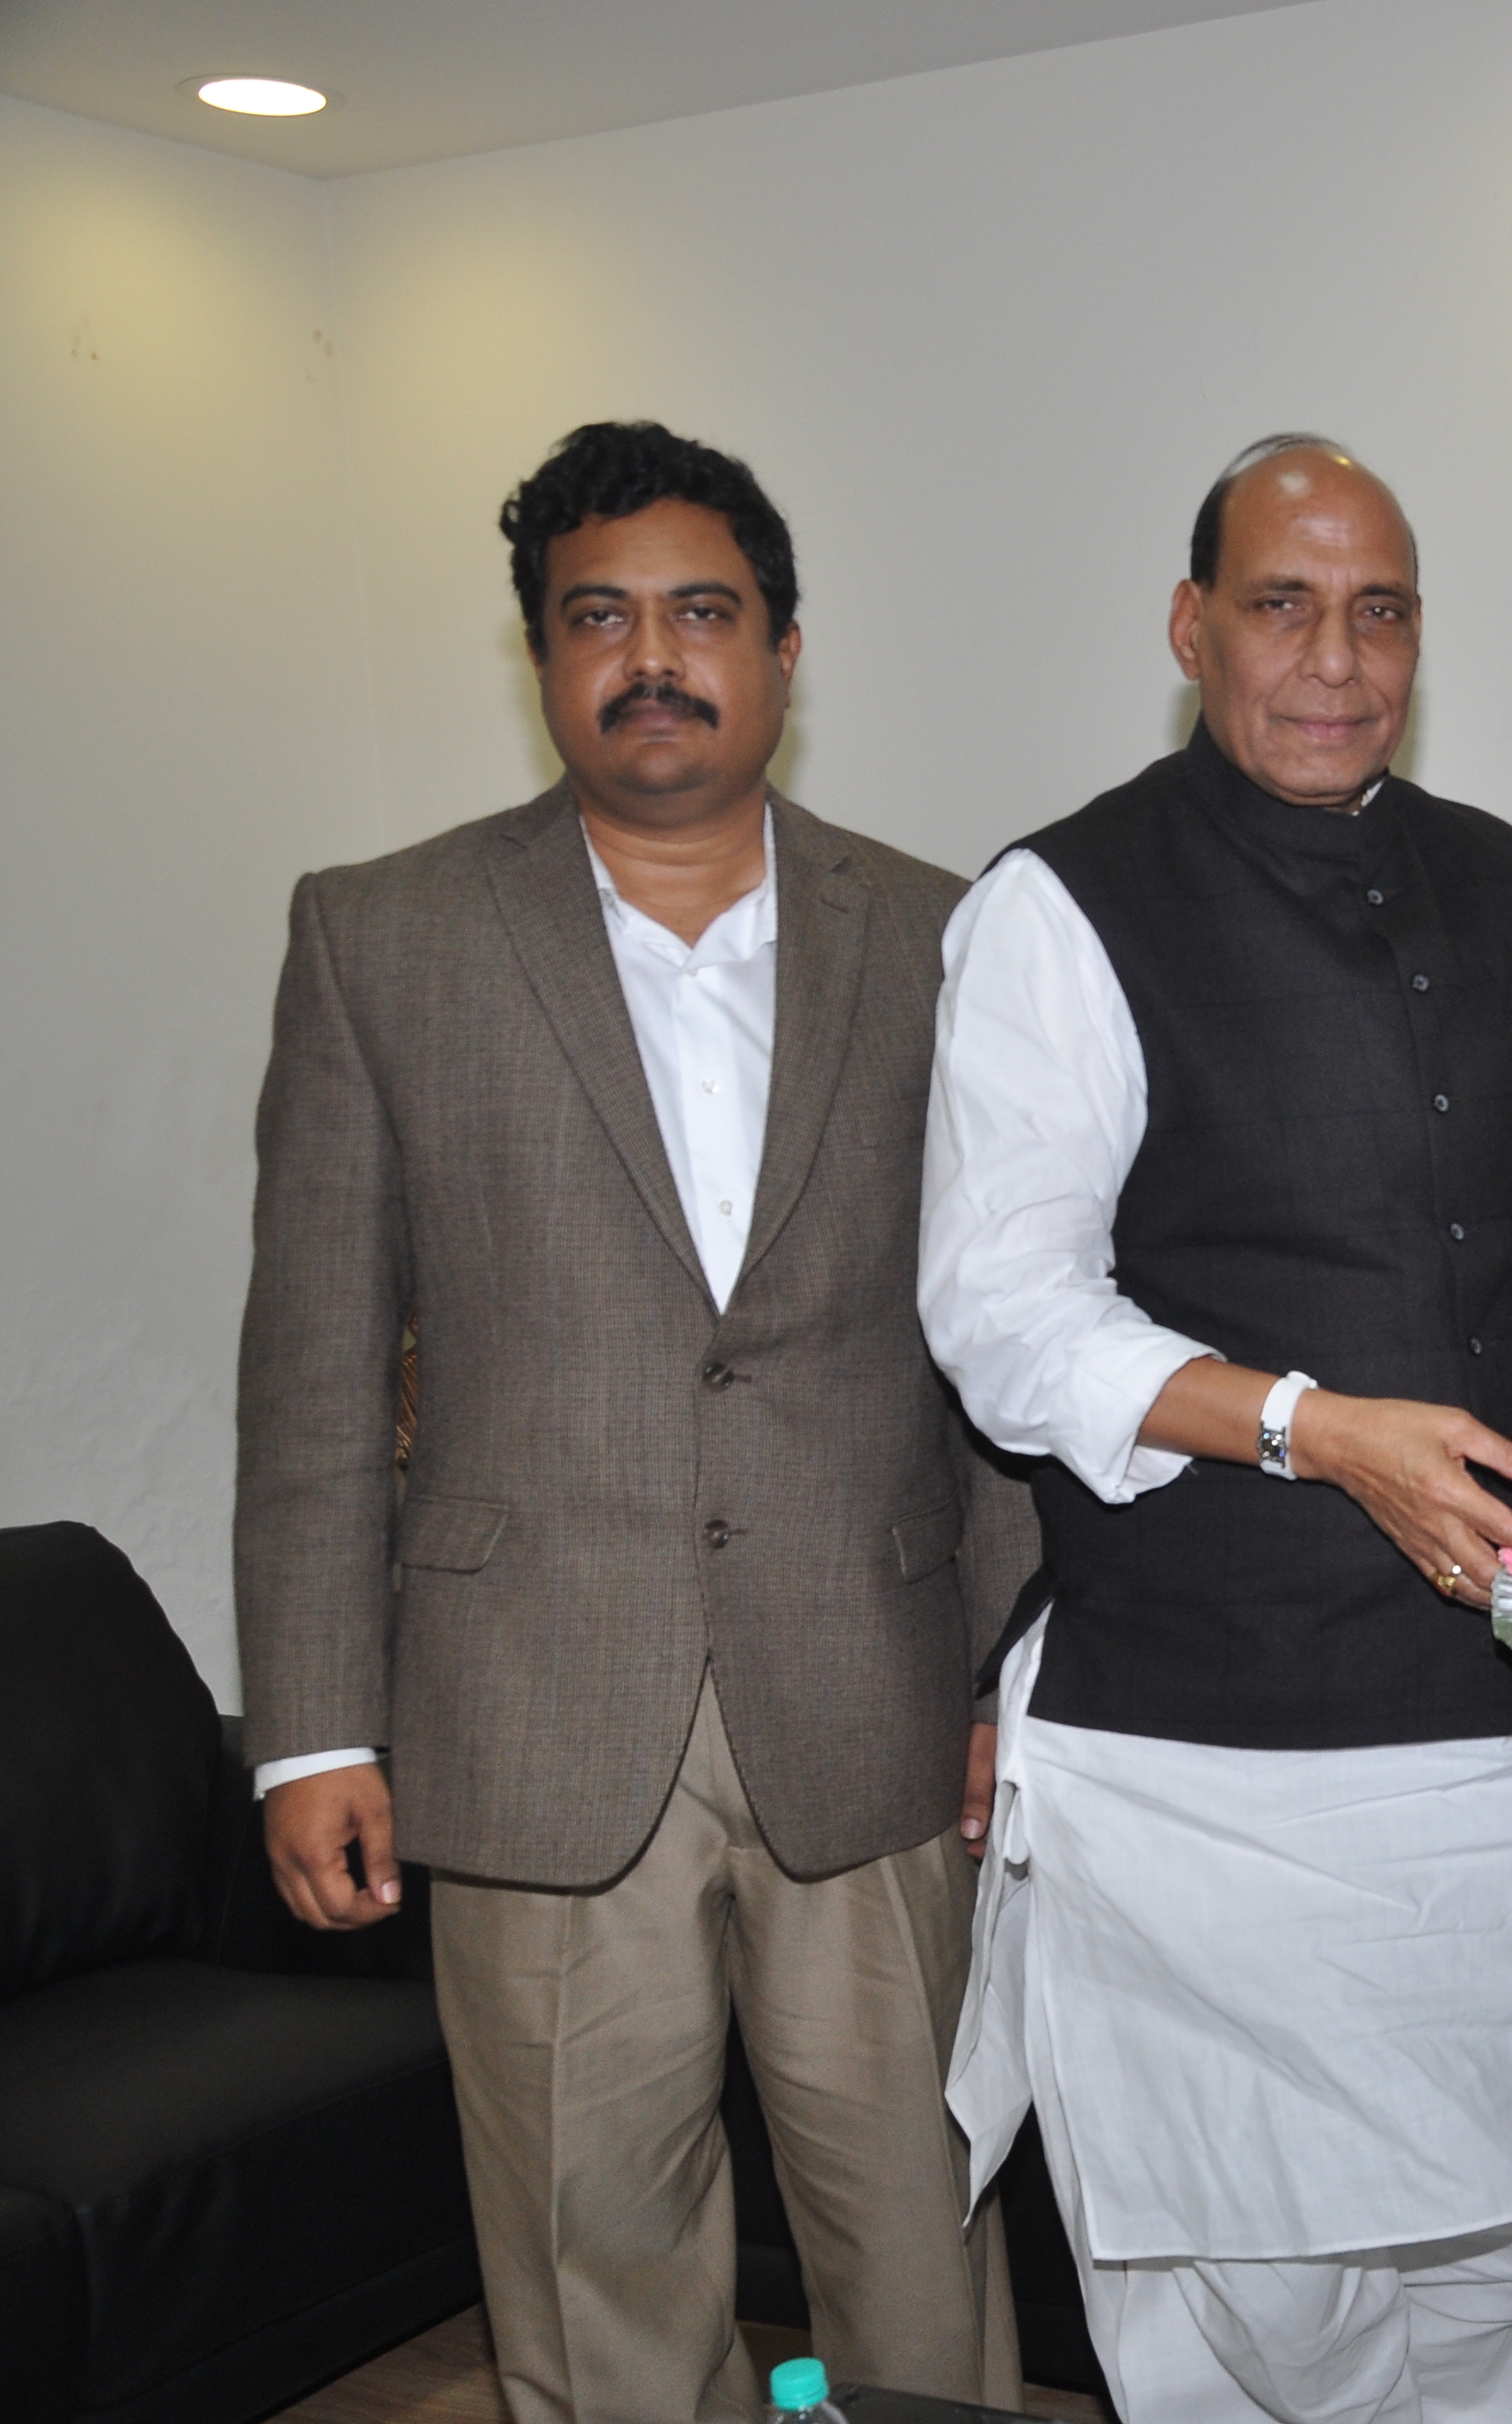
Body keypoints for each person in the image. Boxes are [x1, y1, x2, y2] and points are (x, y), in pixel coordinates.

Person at [920, 434, 1512, 2422]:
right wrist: (1317, 1426)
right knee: (1253, 2288)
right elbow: (1001, 1312)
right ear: (1191, 624)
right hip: (1213, 1747)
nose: (1332, 656)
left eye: (1377, 609)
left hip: (1510, 1727)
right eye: (1281, 603)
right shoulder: (1059, 904)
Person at [236, 420, 1033, 2421]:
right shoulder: (381, 935)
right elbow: (315, 1361)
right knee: (593, 2264)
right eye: (601, 615)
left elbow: (1008, 1345)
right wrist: (315, 1726)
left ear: (780, 649)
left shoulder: (951, 939)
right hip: (524, 1714)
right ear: (541, 655)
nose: (651, 654)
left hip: (874, 1698)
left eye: (701, 612)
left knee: (917, 2243)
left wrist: (1016, 1676)